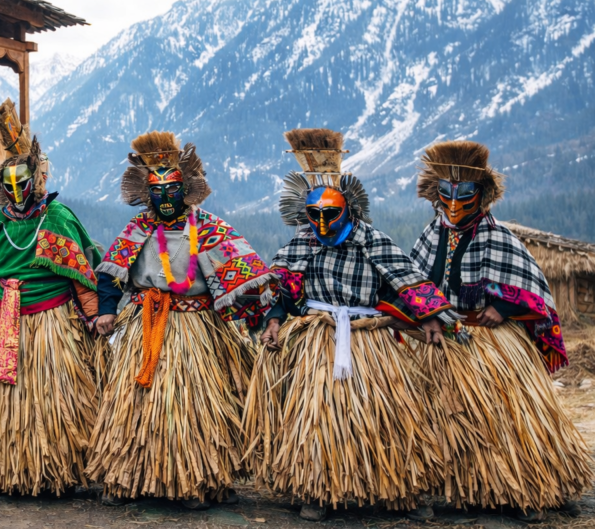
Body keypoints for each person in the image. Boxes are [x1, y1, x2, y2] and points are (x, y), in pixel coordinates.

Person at [250, 129, 453, 522]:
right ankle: (317, 489)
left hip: (367, 342)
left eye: (330, 214)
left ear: (349, 209)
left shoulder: (373, 241)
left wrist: (429, 316)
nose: (322, 223)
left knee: (387, 414)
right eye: (314, 215)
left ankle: (401, 490)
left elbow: (406, 279)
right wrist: (273, 320)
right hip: (318, 340)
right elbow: (282, 290)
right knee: (317, 418)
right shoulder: (301, 244)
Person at [409, 141, 593, 521]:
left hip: (492, 343)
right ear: (436, 194)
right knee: (438, 415)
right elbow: (414, 282)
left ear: (482, 194)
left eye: (464, 194)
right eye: (446, 194)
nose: (454, 204)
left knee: (508, 416)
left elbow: (531, 287)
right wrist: (427, 315)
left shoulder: (498, 236)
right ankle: (451, 488)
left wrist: (502, 306)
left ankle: (532, 489)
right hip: (441, 341)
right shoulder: (430, 236)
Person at [88, 131, 270, 509]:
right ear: (146, 192)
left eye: (172, 189)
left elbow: (248, 275)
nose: (165, 197)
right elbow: (110, 272)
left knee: (194, 407)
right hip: (144, 325)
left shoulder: (209, 228)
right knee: (135, 404)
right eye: (157, 190)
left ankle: (196, 481)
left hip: (195, 329)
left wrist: (262, 316)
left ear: (187, 189)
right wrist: (107, 309)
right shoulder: (137, 229)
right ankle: (126, 479)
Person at [0, 100, 102, 497]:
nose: (16, 193)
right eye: (9, 187)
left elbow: (79, 273)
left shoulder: (56, 218)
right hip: (4, 318)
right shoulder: (0, 222)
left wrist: (93, 315)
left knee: (52, 400)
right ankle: (1, 471)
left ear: (36, 180)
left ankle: (56, 474)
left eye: (22, 184)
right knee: (2, 400)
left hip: (50, 325)